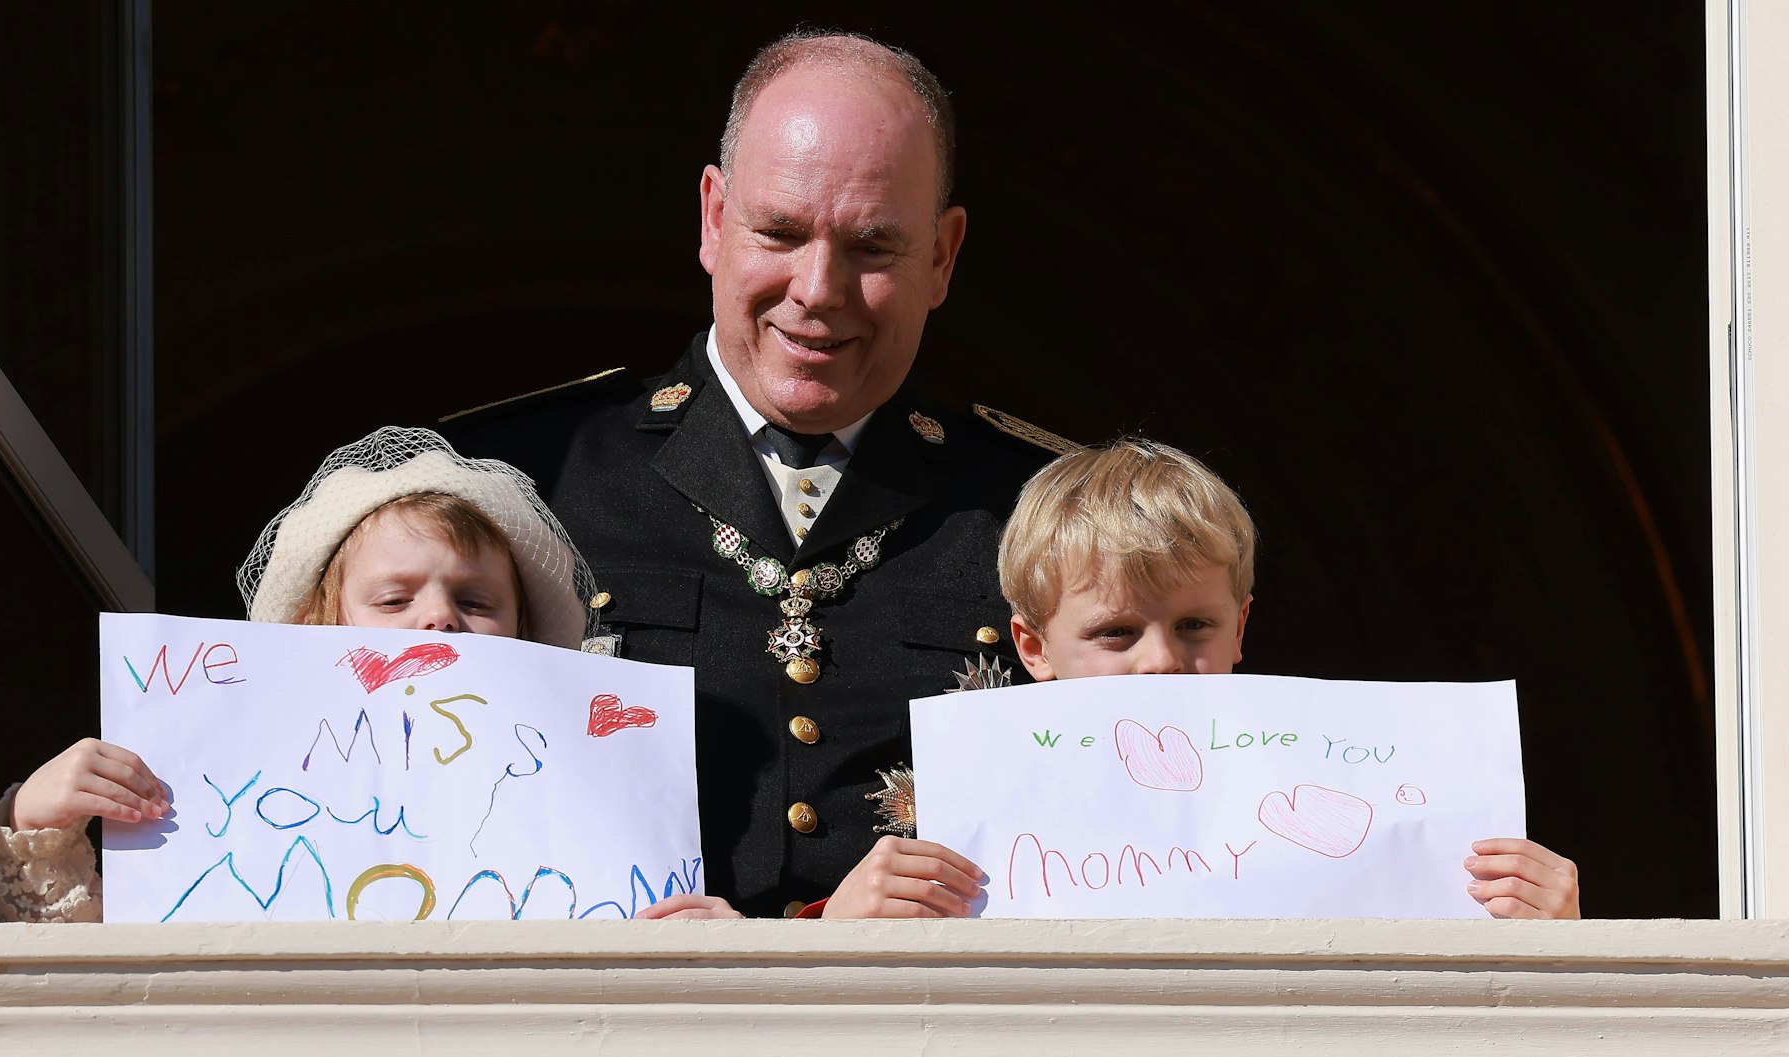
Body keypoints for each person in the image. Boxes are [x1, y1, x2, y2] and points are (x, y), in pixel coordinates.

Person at [444, 30, 1058, 918]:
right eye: (779, 232)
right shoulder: (515, 481)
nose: (817, 288)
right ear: (712, 218)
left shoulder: (1044, 512)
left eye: (873, 248)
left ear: (942, 257)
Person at [0, 427, 740, 922]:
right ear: (320, 626)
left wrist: (714, 948)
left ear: (529, 638)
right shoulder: (231, 795)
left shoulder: (592, 807)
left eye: (475, 600)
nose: (438, 618)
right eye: (393, 597)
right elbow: (96, 970)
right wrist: (41, 825)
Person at [993, 437, 1582, 919]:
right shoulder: (988, 823)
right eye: (1116, 632)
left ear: (1240, 625)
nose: (1161, 660)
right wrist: (901, 926)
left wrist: (1554, 934)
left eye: (1195, 625)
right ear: (1034, 648)